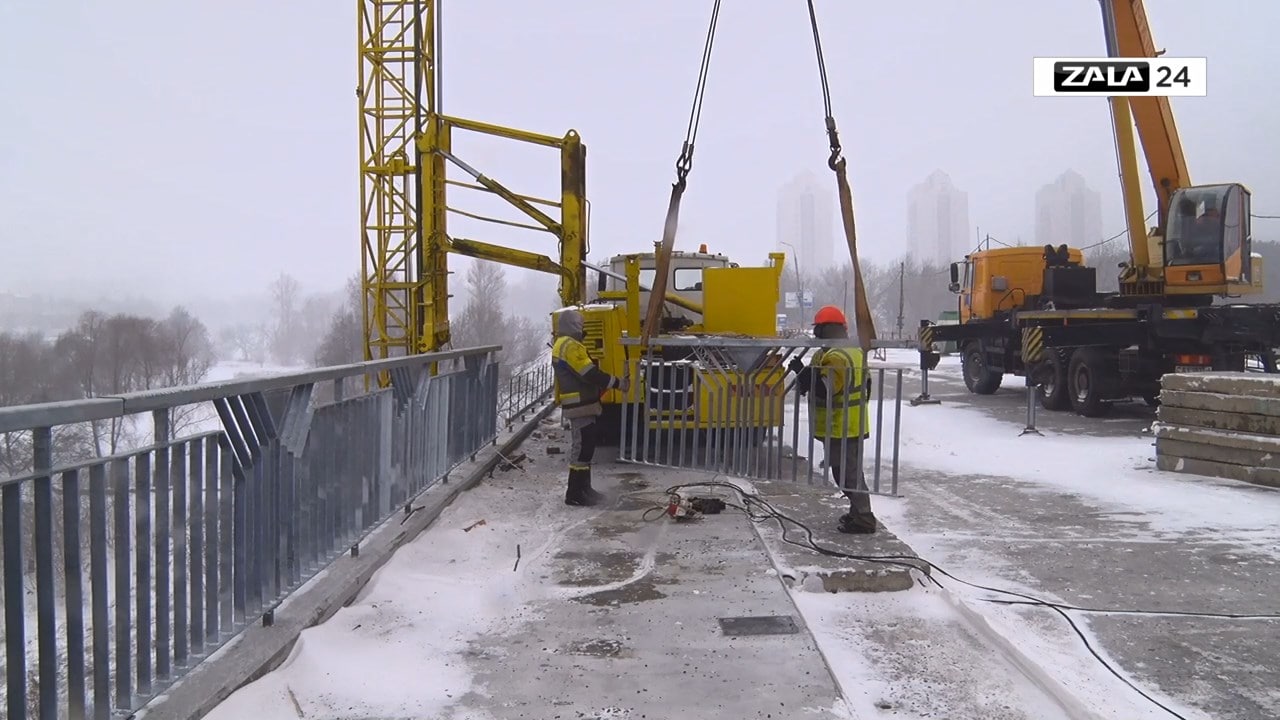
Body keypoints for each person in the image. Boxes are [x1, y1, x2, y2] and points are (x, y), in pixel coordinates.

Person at [787, 305, 878, 534]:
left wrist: (803, 374)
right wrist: (805, 375)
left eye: (818, 329)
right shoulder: (832, 352)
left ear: (827, 329)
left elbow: (824, 389)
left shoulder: (838, 356)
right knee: (848, 472)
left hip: (844, 425)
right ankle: (857, 513)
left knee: (847, 474)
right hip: (840, 425)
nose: (815, 334)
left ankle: (864, 519)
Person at [551, 307, 629, 506]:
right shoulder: (570, 346)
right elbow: (589, 373)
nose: (583, 328)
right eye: (581, 324)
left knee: (586, 446)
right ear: (574, 325)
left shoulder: (562, 343)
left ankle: (584, 489)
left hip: (580, 403)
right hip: (580, 403)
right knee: (582, 448)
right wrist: (618, 383)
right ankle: (575, 493)